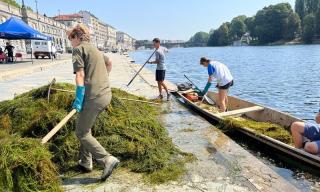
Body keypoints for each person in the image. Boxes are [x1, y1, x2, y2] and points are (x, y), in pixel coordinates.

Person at [67, 24, 118, 181]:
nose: (71, 43)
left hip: (93, 97)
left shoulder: (78, 49)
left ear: (77, 37)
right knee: (86, 128)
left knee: (81, 132)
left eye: (71, 39)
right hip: (105, 94)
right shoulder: (95, 49)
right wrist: (103, 79)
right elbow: (109, 62)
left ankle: (106, 159)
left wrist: (79, 97)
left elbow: (80, 75)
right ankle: (86, 161)